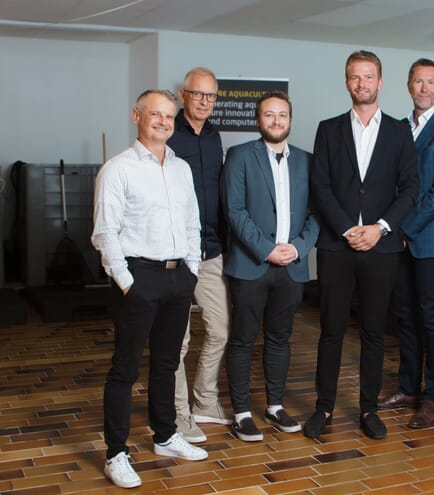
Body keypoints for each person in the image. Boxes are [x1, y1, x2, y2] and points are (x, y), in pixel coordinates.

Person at [92, 89, 208, 489]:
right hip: (140, 279)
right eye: (155, 115)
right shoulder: (117, 168)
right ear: (136, 115)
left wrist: (191, 270)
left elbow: (193, 223)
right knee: (125, 369)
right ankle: (116, 453)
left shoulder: (181, 168)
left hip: (179, 278)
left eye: (169, 116)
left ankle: (165, 436)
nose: (163, 122)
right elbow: (105, 233)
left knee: (167, 363)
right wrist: (126, 282)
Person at [306, 50, 419, 440]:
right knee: (331, 331)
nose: (362, 84)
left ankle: (369, 409)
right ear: (347, 83)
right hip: (337, 247)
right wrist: (346, 228)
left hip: (381, 248)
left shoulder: (399, 132)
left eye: (368, 77)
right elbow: (319, 186)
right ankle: (323, 407)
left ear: (380, 82)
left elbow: (410, 189)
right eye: (355, 77)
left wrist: (381, 228)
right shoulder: (329, 129)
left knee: (373, 332)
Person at [221, 91, 319, 442]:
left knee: (280, 338)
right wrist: (266, 249)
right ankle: (242, 412)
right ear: (258, 119)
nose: (276, 121)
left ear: (290, 119)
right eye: (269, 115)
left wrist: (298, 248)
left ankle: (275, 406)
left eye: (282, 115)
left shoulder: (308, 161)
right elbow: (233, 211)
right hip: (251, 265)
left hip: (292, 266)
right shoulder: (239, 156)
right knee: (243, 340)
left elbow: (316, 213)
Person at [378, 58, 434, 428]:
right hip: (396, 240)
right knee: (405, 316)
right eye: (418, 81)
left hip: (425, 239)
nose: (424, 88)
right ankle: (408, 387)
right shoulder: (396, 128)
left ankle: (433, 397)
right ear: (409, 86)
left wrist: (401, 227)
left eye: (431, 82)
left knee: (431, 318)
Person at [168, 67, 232, 444]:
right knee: (178, 341)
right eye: (198, 94)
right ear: (183, 95)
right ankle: (179, 414)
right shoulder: (167, 133)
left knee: (221, 330)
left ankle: (205, 400)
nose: (205, 102)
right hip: (177, 252)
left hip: (211, 250)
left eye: (211, 96)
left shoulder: (213, 136)